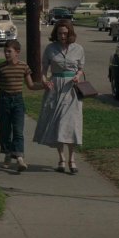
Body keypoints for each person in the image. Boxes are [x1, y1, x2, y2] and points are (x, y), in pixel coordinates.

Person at [33, 19, 86, 174]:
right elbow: (44, 70)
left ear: (70, 33)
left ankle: (72, 159)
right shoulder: (50, 49)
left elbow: (81, 68)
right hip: (55, 87)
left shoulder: (78, 49)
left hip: (72, 89)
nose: (62, 36)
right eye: (60, 33)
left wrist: (78, 75)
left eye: (65, 33)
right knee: (57, 124)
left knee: (71, 124)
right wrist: (44, 81)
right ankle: (61, 159)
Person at [0, 39, 41, 172]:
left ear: (17, 52)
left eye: (9, 51)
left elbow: (31, 85)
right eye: (5, 51)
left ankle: (20, 158)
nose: (6, 54)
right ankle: (7, 154)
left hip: (18, 101)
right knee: (5, 131)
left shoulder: (24, 67)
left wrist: (44, 86)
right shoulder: (0, 67)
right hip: (4, 100)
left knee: (18, 130)